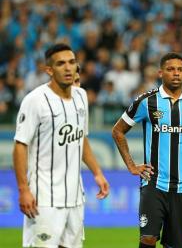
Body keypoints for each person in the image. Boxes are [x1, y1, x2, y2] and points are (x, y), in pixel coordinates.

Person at [112, 52, 182, 248]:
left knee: (177, 245)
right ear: (160, 73)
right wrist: (132, 166)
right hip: (154, 184)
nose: (176, 73)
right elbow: (118, 131)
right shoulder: (146, 102)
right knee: (148, 238)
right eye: (170, 69)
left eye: (180, 69)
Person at [13, 43, 110, 248]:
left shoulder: (81, 97)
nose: (68, 68)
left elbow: (81, 138)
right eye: (61, 64)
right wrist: (23, 189)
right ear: (49, 70)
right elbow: (20, 145)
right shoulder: (35, 101)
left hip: (75, 196)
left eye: (72, 62)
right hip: (44, 197)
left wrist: (97, 172)